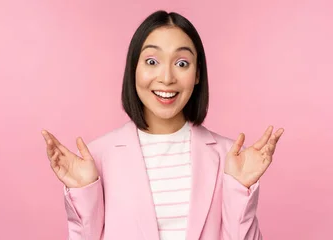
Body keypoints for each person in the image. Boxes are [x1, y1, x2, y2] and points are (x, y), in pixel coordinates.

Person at [41, 10, 284, 240]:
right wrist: (84, 193)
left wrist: (240, 190)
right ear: (133, 69)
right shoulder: (96, 159)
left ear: (197, 74)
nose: (166, 78)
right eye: (151, 61)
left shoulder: (229, 157)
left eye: (182, 64)